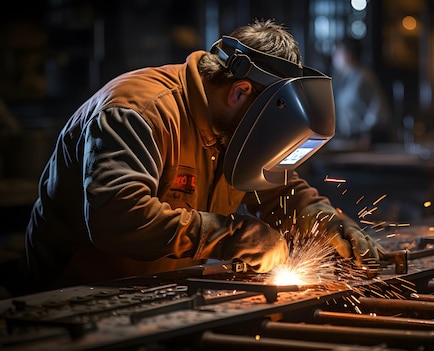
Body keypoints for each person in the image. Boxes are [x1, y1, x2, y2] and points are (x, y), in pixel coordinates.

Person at [23, 19, 380, 292]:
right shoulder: (139, 113)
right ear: (240, 92)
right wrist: (229, 236)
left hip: (159, 294)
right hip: (75, 297)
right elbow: (118, 216)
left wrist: (320, 219)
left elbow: (273, 186)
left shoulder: (229, 129)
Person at [329, 38, 392, 149]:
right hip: (345, 139)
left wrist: (368, 134)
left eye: (338, 51)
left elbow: (379, 110)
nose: (334, 55)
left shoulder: (364, 76)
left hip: (364, 141)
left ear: (349, 54)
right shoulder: (340, 78)